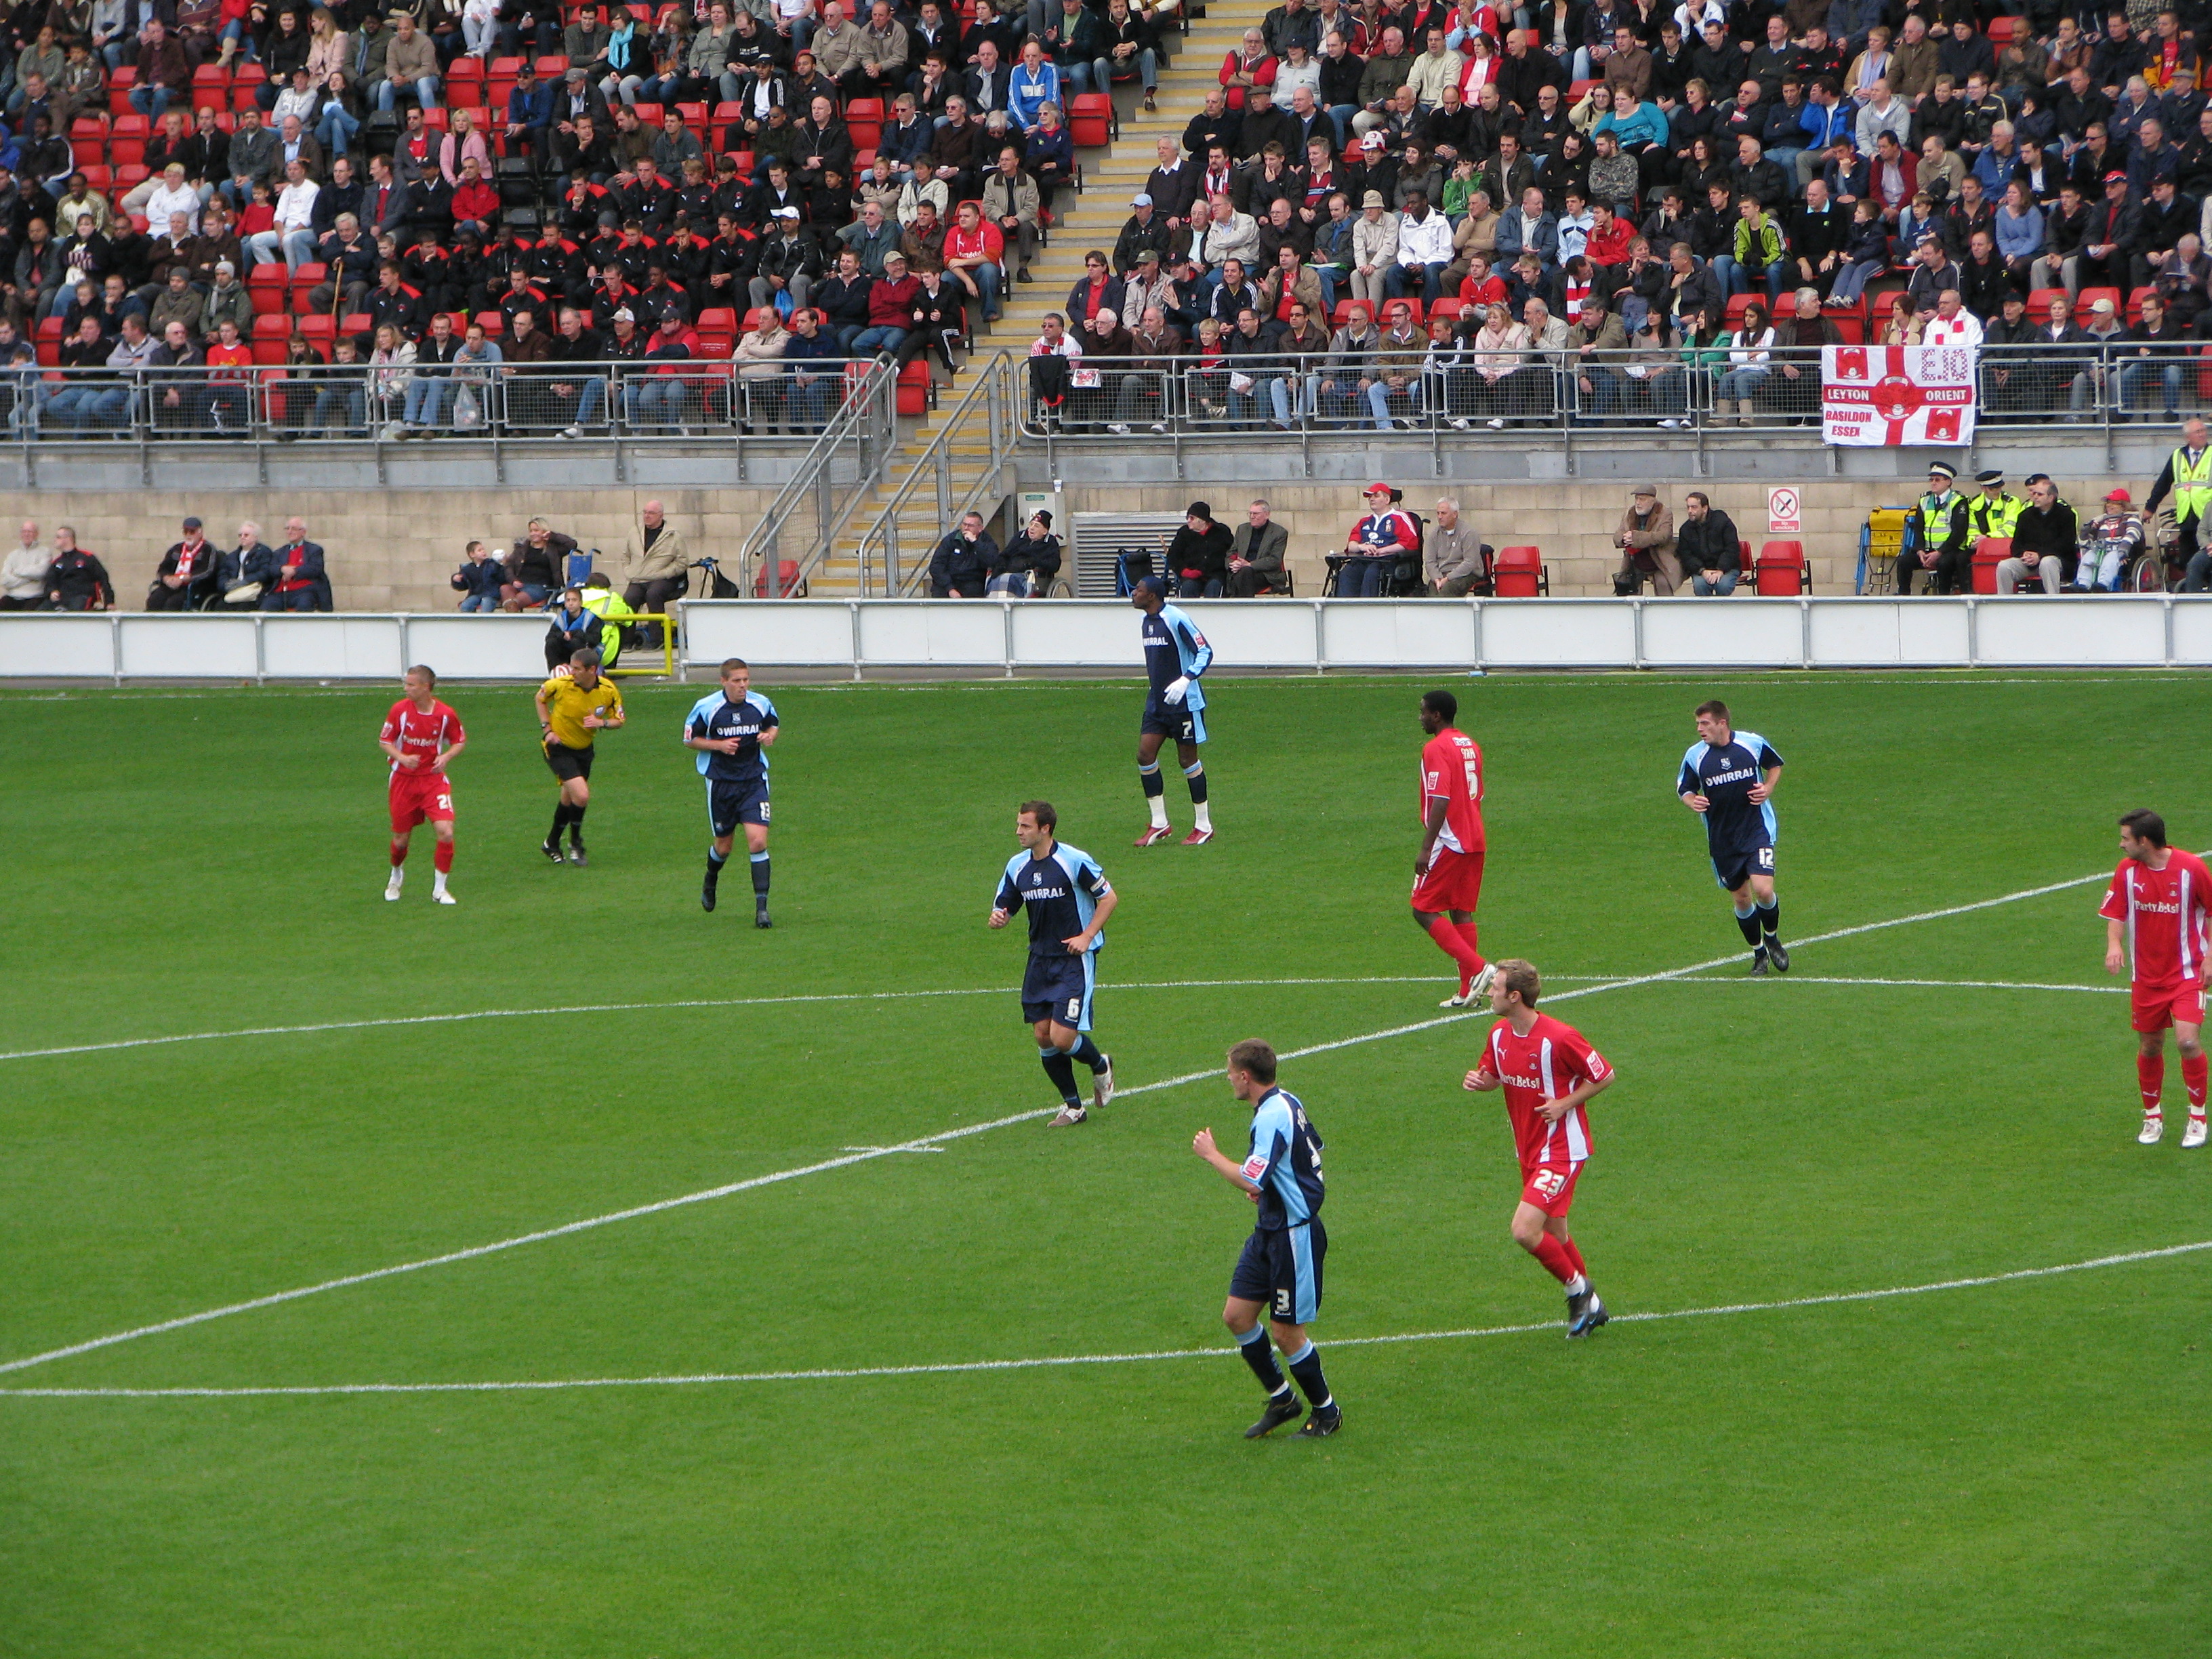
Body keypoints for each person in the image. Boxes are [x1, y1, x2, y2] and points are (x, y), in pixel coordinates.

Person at [1191, 1038, 1340, 1439]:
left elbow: (1249, 1174)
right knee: (1237, 1317)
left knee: (1287, 1333)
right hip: (1269, 1229)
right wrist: (1273, 1185)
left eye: (1230, 1075)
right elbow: (1309, 1152)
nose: (1229, 1081)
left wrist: (1212, 1154)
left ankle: (1327, 1412)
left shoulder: (1273, 1114)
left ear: (1245, 1075)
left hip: (1294, 1236)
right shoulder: (1286, 1102)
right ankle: (1282, 1400)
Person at [1462, 958, 1614, 1337]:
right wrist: (1483, 1083)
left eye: (1495, 988)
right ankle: (1593, 1308)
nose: (1489, 993)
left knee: (1524, 1230)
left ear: (1515, 996)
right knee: (1556, 1232)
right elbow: (1495, 1075)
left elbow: (1604, 1074)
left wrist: (1565, 1103)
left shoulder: (1560, 1037)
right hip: (1528, 1149)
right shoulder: (1499, 1033)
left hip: (1562, 1150)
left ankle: (1578, 1291)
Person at [988, 798, 1117, 1127]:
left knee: (1062, 1038)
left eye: (1025, 826)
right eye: (1018, 825)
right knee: (1043, 1037)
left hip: (1074, 959)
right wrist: (1000, 917)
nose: (1018, 831)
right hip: (1039, 960)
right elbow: (1007, 904)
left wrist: (1087, 936)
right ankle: (1073, 1107)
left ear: (1045, 829)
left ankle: (1100, 1065)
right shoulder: (1017, 865)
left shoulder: (1074, 861)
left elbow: (1108, 898)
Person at [2100, 807, 2211, 1148]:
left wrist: (2210, 957)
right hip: (2146, 977)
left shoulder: (2192, 868)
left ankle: (2197, 1117)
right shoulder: (2127, 871)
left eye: (2125, 838)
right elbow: (2117, 912)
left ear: (2144, 841)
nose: (2121, 845)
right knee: (2150, 1045)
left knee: (2187, 1042)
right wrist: (2114, 944)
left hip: (2187, 973)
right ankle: (2153, 1117)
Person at [1677, 697, 1786, 975]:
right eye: (1698, 724)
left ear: (1721, 723)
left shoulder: (1751, 743)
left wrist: (1769, 787)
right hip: (1723, 838)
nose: (1700, 729)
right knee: (1741, 898)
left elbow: (1774, 764)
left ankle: (1772, 938)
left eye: (1705, 723)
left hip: (1757, 830)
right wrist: (1693, 801)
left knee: (1763, 889)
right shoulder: (1696, 755)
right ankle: (1759, 953)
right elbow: (1684, 789)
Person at [1412, 688, 1493, 1010]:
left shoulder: (1436, 748)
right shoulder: (1470, 744)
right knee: (1460, 909)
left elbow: (1440, 798)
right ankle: (1467, 992)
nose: (1420, 718)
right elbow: (1478, 793)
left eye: (1422, 712)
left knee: (1422, 908)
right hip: (1475, 836)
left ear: (1436, 715)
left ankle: (1478, 968)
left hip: (1450, 839)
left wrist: (1426, 846)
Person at [685, 657, 780, 924]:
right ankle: (711, 877)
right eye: (737, 681)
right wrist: (719, 746)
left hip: (754, 781)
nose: (743, 686)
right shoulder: (707, 708)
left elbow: (773, 723)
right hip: (721, 784)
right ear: (723, 681)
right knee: (724, 846)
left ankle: (762, 909)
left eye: (746, 680)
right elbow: (690, 740)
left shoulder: (760, 703)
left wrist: (769, 736)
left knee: (758, 841)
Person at [1130, 575, 1214, 846]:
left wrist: (1186, 679)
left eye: (1139, 590)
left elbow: (1205, 652)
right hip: (1157, 703)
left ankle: (1203, 825)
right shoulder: (1147, 622)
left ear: (1152, 596)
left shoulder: (1176, 618)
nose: (1133, 593)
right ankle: (1159, 823)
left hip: (1184, 704)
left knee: (1187, 761)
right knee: (1145, 756)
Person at [378, 665, 466, 906]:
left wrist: (446, 757)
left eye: (411, 685)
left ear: (426, 687)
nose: (406, 689)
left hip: (433, 781)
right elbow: (385, 741)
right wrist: (403, 758)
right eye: (406, 684)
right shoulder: (399, 711)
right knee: (401, 840)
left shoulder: (445, 714)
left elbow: (459, 740)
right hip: (403, 781)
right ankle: (396, 876)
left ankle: (440, 889)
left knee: (446, 832)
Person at [535, 647, 626, 865]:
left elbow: (619, 720)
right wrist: (547, 730)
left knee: (569, 798)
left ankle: (551, 843)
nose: (572, 672)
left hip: (584, 750)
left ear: (592, 670)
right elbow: (540, 699)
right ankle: (575, 842)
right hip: (558, 748)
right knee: (582, 796)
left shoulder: (607, 690)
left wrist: (601, 723)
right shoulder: (561, 685)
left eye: (576, 669)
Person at [2146, 417, 2212, 590]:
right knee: (2186, 560)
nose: (2203, 434)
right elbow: (2163, 483)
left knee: (2205, 559)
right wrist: (2150, 507)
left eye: (2204, 430)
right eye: (2198, 431)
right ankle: (2195, 593)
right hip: (2187, 516)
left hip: (2208, 517)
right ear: (2188, 437)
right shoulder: (2177, 456)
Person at [1898, 460, 1972, 596]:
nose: (1933, 483)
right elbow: (1919, 528)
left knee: (1944, 564)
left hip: (1949, 551)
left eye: (1937, 480)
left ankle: (1943, 598)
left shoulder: (1959, 501)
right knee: (1904, 561)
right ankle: (1903, 597)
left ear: (1948, 482)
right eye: (1931, 480)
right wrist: (1920, 550)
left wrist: (1939, 552)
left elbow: (1959, 533)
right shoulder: (1924, 500)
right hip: (1927, 551)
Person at [1338, 480, 1419, 598]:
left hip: (1387, 562)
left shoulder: (1400, 518)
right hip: (1364, 559)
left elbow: (1409, 543)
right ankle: (1344, 610)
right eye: (1370, 497)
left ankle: (1369, 609)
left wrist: (1382, 551)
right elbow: (1351, 545)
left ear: (1387, 500)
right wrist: (1362, 547)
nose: (1372, 499)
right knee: (1347, 573)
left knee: (1372, 573)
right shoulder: (1365, 521)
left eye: (1376, 496)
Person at [1998, 475, 2076, 595]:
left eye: (2040, 495)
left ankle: (2053, 602)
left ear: (2051, 498)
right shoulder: (2025, 515)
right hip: (2029, 563)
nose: (2035, 497)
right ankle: (2004, 604)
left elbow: (2066, 544)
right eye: (2034, 493)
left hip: (2057, 560)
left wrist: (2039, 555)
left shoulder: (2066, 514)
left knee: (2047, 562)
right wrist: (2024, 554)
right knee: (2004, 566)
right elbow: (2016, 545)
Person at [1613, 483, 1679, 595]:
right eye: (1636, 499)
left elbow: (1663, 536)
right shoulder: (1630, 513)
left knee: (1663, 586)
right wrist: (1625, 539)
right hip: (1634, 561)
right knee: (1627, 590)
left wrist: (1636, 538)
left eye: (1642, 499)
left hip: (1657, 561)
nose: (1638, 503)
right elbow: (1617, 535)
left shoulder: (1664, 513)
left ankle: (1666, 611)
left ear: (1653, 501)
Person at [146, 515, 219, 610]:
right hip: (172, 585)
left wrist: (188, 578)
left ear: (200, 533)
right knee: (154, 600)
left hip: (193, 587)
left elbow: (208, 571)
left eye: (192, 532)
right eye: (185, 531)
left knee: (173, 603)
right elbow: (163, 568)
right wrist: (167, 578)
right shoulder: (176, 549)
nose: (188, 535)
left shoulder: (208, 549)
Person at [1676, 491, 1741, 595]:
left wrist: (1721, 570)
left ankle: (1722, 611)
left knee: (1723, 586)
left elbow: (1732, 549)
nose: (1690, 511)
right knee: (1700, 586)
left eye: (1694, 507)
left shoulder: (1723, 522)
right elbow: (1686, 555)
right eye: (1688, 507)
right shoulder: (1685, 529)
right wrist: (1702, 571)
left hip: (1727, 568)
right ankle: (1706, 611)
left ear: (1705, 508)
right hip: (1701, 570)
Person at [1164, 499, 1233, 598]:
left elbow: (1233, 550)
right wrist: (1184, 571)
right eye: (1188, 517)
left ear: (1202, 519)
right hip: (1191, 574)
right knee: (1188, 587)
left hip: (1216, 574)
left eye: (1192, 518)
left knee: (1215, 587)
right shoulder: (1184, 533)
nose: (1188, 521)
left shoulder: (1221, 531)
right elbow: (1173, 556)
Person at [1225, 498, 1290, 597]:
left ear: (1266, 515)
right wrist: (1234, 564)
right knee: (1237, 575)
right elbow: (1231, 553)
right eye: (1250, 513)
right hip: (1240, 571)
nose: (1252, 517)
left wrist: (1250, 565)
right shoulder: (1242, 529)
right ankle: (1246, 607)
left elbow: (1275, 560)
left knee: (1242, 575)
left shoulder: (1279, 533)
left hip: (1265, 574)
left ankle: (1241, 608)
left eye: (1256, 514)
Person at [928, 510, 999, 597]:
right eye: (964, 524)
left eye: (971, 526)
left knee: (973, 589)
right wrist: (950, 588)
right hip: (948, 584)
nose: (966, 528)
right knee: (939, 590)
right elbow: (936, 566)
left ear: (980, 528)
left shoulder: (987, 542)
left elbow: (993, 562)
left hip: (972, 583)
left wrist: (975, 542)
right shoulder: (951, 540)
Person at [40, 526, 111, 610]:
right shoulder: (56, 562)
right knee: (40, 612)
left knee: (75, 610)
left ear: (67, 539)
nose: (55, 540)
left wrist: (109, 602)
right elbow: (50, 581)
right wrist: (52, 592)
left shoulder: (87, 557)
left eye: (58, 537)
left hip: (82, 597)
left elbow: (103, 578)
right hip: (62, 599)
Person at [0, 521, 49, 609]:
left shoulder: (44, 552)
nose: (27, 534)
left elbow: (41, 573)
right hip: (13, 596)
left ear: (36, 534)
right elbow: (4, 580)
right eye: (24, 531)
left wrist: (16, 572)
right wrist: (31, 578)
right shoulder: (13, 555)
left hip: (35, 597)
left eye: (30, 532)